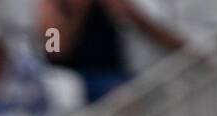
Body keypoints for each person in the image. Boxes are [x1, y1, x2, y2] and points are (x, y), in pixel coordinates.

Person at [39, 0, 184, 103]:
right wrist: (78, 12)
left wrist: (185, 49)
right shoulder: (52, 5)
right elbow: (54, 51)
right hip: (79, 80)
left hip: (116, 73)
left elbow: (144, 24)